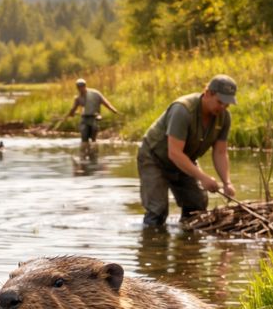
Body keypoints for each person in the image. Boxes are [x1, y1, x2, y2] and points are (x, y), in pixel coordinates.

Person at [136, 75, 238, 228]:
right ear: (208, 93)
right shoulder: (183, 110)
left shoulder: (224, 118)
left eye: (227, 104)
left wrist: (226, 182)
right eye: (220, 102)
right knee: (158, 211)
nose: (223, 107)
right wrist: (203, 177)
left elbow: (220, 153)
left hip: (184, 159)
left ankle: (186, 244)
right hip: (154, 158)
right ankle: (152, 246)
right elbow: (174, 153)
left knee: (197, 205)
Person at [59, 78, 119, 147]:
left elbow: (105, 102)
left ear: (85, 86)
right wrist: (70, 114)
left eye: (81, 86)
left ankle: (93, 151)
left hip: (94, 117)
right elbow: (73, 109)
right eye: (78, 87)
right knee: (84, 135)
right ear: (77, 87)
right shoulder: (78, 98)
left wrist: (113, 110)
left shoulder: (95, 93)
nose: (80, 88)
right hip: (84, 119)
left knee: (94, 134)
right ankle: (85, 151)